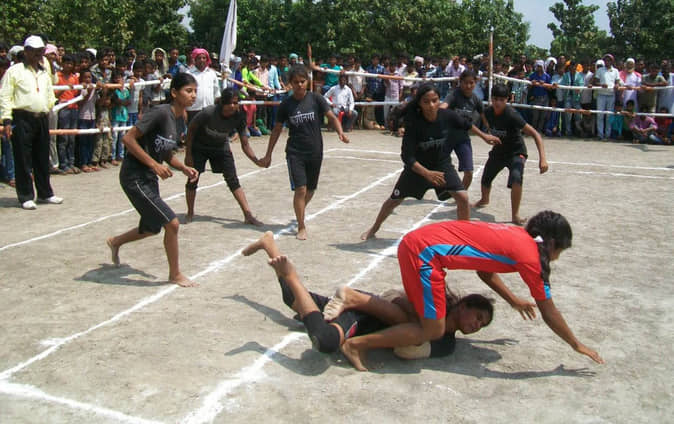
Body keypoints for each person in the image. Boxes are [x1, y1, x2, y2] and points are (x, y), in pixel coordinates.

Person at [343, 211, 605, 371]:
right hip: (425, 254)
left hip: (419, 245)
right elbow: (549, 311)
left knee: (421, 320)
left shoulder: (518, 236)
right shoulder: (532, 260)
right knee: (433, 330)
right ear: (551, 243)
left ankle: (356, 301)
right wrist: (576, 344)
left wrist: (513, 300)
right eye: (560, 252)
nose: (556, 258)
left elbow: (485, 272)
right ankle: (356, 345)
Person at [242, 231, 494, 361]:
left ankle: (269, 244)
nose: (477, 325)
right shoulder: (434, 307)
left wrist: (414, 329)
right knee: (325, 341)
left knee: (293, 299)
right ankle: (291, 274)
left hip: (366, 311)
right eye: (478, 317)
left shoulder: (446, 343)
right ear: (464, 305)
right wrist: (411, 320)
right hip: (362, 316)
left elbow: (405, 351)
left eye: (481, 325)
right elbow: (394, 297)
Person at [360, 84, 500, 240]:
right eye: (426, 102)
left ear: (440, 100)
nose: (431, 105)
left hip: (441, 165)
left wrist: (484, 136)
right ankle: (374, 229)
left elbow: (467, 124)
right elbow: (407, 157)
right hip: (418, 169)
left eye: (435, 100)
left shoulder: (447, 115)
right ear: (420, 103)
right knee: (394, 200)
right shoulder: (414, 123)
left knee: (463, 198)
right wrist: (427, 173)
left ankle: (463, 235)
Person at [106, 73, 199, 287]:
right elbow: (128, 139)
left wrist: (183, 168)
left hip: (148, 177)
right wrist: (154, 165)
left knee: (151, 227)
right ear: (174, 92)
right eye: (188, 91)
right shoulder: (159, 113)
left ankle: (115, 242)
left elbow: (165, 152)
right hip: (134, 176)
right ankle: (175, 274)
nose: (193, 95)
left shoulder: (181, 118)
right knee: (172, 223)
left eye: (195, 91)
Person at [260, 65, 349, 240]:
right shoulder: (286, 105)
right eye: (296, 82)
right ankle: (301, 226)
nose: (299, 85)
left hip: (315, 151)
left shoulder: (316, 99)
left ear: (307, 82)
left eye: (302, 81)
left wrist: (340, 132)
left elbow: (331, 116)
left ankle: (299, 209)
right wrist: (268, 153)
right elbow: (277, 130)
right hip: (295, 152)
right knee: (300, 189)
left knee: (310, 189)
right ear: (290, 84)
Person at [0, 35, 62, 210]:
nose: (38, 54)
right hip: (22, 118)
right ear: (26, 51)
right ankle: (26, 195)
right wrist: (6, 119)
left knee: (42, 156)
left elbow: (49, 92)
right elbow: (5, 96)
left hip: (41, 117)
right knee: (23, 158)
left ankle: (45, 193)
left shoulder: (44, 72)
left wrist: (49, 105)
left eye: (40, 51)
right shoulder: (14, 71)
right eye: (34, 51)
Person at [184, 88, 264, 225]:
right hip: (200, 147)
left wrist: (256, 160)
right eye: (229, 103)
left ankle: (248, 215)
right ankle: (190, 212)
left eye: (235, 103)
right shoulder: (209, 112)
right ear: (222, 103)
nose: (232, 106)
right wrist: (188, 154)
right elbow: (191, 130)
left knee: (232, 179)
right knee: (193, 179)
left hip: (220, 147)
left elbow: (245, 144)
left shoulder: (239, 117)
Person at [473, 84, 548, 225]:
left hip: (516, 152)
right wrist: (487, 136)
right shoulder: (487, 112)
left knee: (516, 178)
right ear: (491, 98)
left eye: (501, 100)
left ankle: (515, 215)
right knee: (486, 178)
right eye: (495, 99)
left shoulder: (512, 115)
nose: (498, 103)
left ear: (507, 100)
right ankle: (484, 199)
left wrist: (542, 159)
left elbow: (535, 134)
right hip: (498, 151)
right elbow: (478, 125)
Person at [441, 69, 489, 190]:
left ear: (475, 83)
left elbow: (485, 118)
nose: (468, 86)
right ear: (460, 82)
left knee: (469, 172)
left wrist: (492, 131)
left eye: (471, 83)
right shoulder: (454, 95)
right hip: (447, 137)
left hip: (462, 138)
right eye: (465, 82)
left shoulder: (475, 99)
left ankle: (461, 194)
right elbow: (443, 107)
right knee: (437, 165)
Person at [55, 53, 81, 174]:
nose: (69, 66)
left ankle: (71, 163)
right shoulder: (57, 76)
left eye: (71, 64)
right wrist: (64, 88)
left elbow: (76, 93)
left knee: (72, 138)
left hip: (74, 108)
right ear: (62, 63)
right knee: (63, 138)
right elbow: (55, 94)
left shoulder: (74, 77)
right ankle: (63, 164)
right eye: (67, 63)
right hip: (63, 108)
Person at [186, 48, 221, 123]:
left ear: (207, 59)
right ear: (195, 59)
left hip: (209, 109)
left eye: (204, 58)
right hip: (193, 110)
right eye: (199, 58)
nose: (201, 60)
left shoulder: (212, 73)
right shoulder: (188, 73)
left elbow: (216, 92)